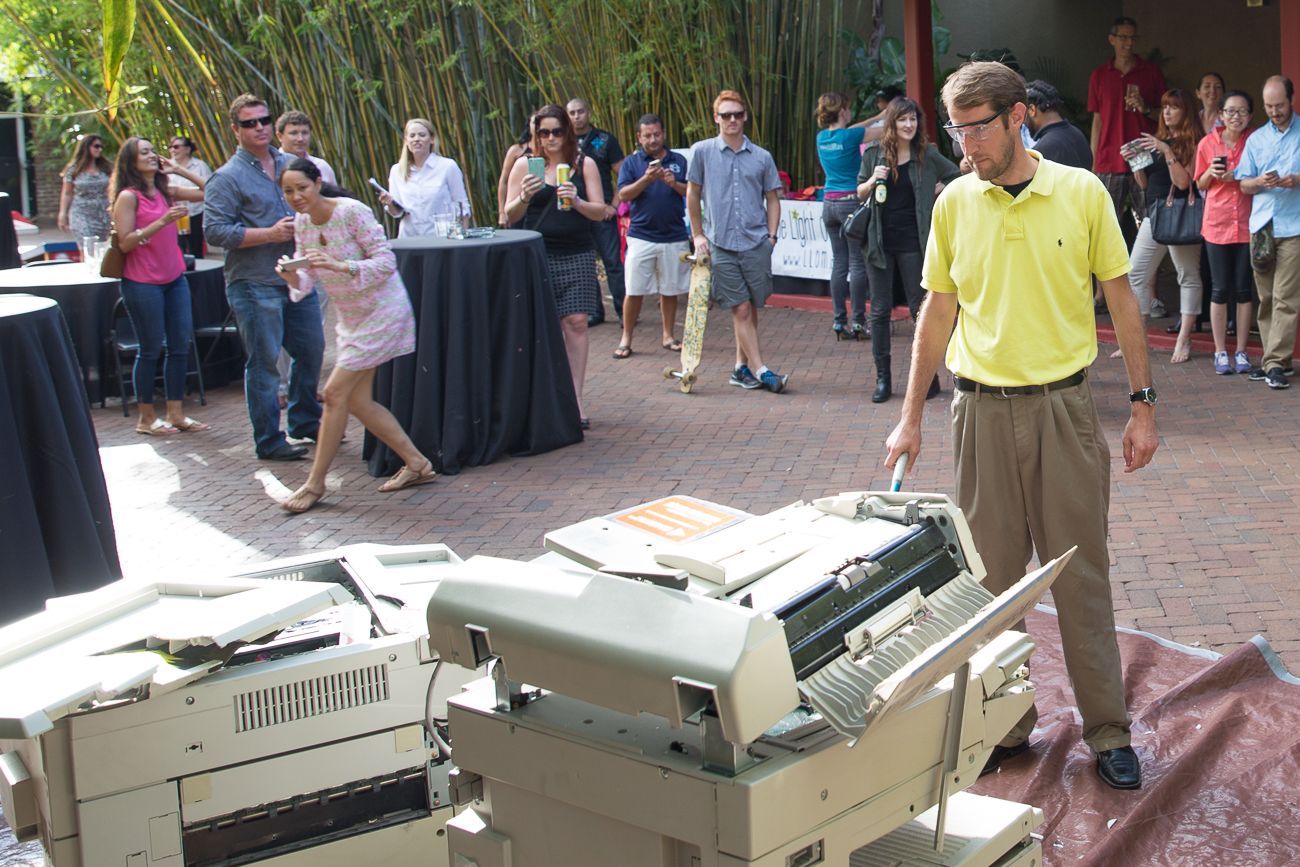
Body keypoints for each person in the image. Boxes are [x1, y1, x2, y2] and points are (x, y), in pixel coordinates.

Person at [885, 61, 1157, 791]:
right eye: (956, 131)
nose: (966, 145)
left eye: (977, 129)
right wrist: (910, 418)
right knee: (991, 584)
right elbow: (937, 312)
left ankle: (1108, 730)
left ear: (1016, 118)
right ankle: (1004, 725)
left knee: (1080, 576)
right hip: (978, 412)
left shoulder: (1081, 192)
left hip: (1064, 410)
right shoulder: (954, 203)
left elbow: (1122, 300)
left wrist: (1143, 405)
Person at [275, 160, 435, 513]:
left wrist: (340, 266)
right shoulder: (302, 222)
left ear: (318, 183)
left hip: (383, 311)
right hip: (351, 319)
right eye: (288, 191)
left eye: (302, 187)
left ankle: (315, 484)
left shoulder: (351, 212)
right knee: (358, 401)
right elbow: (306, 278)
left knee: (334, 394)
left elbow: (386, 262)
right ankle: (417, 463)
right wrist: (290, 274)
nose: (296, 196)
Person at [205, 93, 324, 461]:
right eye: (249, 123)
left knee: (311, 350)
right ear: (235, 129)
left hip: (297, 277)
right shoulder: (226, 177)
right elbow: (215, 231)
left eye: (264, 120)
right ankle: (269, 439)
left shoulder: (292, 164)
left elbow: (320, 203)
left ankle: (305, 421)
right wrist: (268, 234)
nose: (259, 127)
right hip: (254, 281)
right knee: (265, 363)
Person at [503, 105, 605, 428]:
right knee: (542, 328)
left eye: (556, 131)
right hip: (538, 253)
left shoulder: (583, 164)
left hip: (576, 251)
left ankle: (575, 400)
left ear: (567, 132)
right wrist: (523, 196)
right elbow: (509, 215)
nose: (550, 138)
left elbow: (601, 211)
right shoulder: (525, 164)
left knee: (576, 322)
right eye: (543, 132)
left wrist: (577, 201)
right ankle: (544, 399)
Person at [856, 96, 961, 403]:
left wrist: (937, 191)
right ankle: (883, 379)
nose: (908, 124)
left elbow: (955, 176)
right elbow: (859, 191)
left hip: (914, 243)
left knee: (920, 309)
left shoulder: (926, 154)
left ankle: (927, 379)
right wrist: (872, 181)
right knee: (879, 311)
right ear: (892, 122)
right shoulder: (874, 153)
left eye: (913, 119)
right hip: (879, 243)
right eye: (902, 119)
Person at [686, 89, 789, 394]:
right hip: (721, 243)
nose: (732, 120)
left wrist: (771, 236)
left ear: (745, 117)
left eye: (737, 114)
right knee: (740, 308)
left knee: (751, 306)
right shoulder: (702, 151)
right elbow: (692, 193)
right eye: (726, 115)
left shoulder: (761, 157)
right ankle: (762, 370)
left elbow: (773, 198)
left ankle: (740, 368)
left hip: (755, 242)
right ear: (716, 118)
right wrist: (697, 234)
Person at [110, 136, 211, 437]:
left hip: (174, 278)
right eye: (145, 152)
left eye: (153, 150)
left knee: (180, 346)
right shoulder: (128, 197)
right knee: (151, 348)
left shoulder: (167, 190)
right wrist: (163, 221)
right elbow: (125, 243)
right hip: (142, 282)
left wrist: (178, 170)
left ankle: (176, 413)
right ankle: (146, 418)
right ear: (131, 161)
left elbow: (210, 191)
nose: (152, 155)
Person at [1125, 89, 1204, 364]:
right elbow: (1145, 184)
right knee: (1136, 273)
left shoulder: (1196, 142)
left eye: (1174, 107)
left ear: (1186, 111)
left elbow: (1183, 182)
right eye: (1165, 107)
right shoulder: (1158, 141)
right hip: (1154, 214)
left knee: (1187, 275)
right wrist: (1136, 161)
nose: (1167, 112)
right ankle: (1138, 337)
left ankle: (1184, 338)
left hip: (1181, 215)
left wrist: (1167, 150)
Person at [1239, 75, 1300, 390]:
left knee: (1285, 297)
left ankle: (1273, 363)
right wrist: (1261, 181)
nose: (1274, 111)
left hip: (1294, 226)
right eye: (1269, 106)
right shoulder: (1256, 139)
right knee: (1266, 298)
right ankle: (1278, 362)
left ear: (1291, 100)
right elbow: (1243, 183)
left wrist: (1296, 180)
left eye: (1280, 105)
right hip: (1262, 226)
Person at [613, 113, 690, 357]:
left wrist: (673, 183)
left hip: (674, 234)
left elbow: (691, 191)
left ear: (664, 133)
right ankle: (626, 338)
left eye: (657, 134)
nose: (653, 139)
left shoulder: (678, 160)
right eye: (647, 135)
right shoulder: (632, 163)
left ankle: (668, 335)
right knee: (634, 289)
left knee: (670, 289)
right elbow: (623, 195)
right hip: (641, 235)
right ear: (639, 137)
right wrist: (646, 179)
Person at [1087, 17, 1166, 243]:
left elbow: (1166, 115)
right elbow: (1097, 121)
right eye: (1123, 37)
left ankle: (1147, 267)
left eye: (1133, 37)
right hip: (1109, 158)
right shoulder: (1100, 75)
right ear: (1112, 39)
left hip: (1143, 156)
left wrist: (1145, 108)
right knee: (1104, 223)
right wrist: (1094, 161)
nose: (1129, 43)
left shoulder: (1151, 72)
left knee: (1150, 220)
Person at [1196, 90, 1256, 374]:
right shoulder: (1207, 143)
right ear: (1221, 114)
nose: (1236, 116)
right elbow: (1200, 183)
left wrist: (1239, 176)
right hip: (1217, 224)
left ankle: (1242, 351)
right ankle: (1220, 351)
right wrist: (1212, 171)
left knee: (1244, 289)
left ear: (1250, 116)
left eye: (1242, 111)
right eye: (1230, 111)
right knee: (1219, 289)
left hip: (1247, 222)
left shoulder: (1255, 141)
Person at [815, 91, 876, 340]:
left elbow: (853, 129)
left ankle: (839, 321)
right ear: (842, 111)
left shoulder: (822, 137)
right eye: (848, 109)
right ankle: (859, 321)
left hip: (829, 204)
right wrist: (888, 116)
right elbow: (880, 132)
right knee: (857, 262)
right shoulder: (851, 136)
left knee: (839, 263)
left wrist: (878, 116)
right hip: (850, 202)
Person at [568, 98, 625, 325]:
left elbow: (623, 174)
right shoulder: (563, 142)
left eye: (580, 111)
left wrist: (614, 205)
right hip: (575, 213)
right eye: (572, 113)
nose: (576, 116)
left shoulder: (605, 139)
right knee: (585, 264)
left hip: (602, 212)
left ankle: (624, 311)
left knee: (613, 262)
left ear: (589, 112)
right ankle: (594, 312)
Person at [380, 118, 472, 236]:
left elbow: (462, 207)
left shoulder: (447, 166)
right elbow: (397, 213)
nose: (416, 139)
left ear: (432, 139)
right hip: (409, 238)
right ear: (406, 141)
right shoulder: (397, 171)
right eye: (412, 136)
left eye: (422, 135)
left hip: (442, 237)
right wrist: (389, 203)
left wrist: (462, 238)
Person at [1024, 80, 1093, 170]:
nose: (1023, 121)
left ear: (1032, 110)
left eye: (1024, 113)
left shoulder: (1043, 150)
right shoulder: (1078, 134)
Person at [58, 134, 112, 243]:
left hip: (103, 213)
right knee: (87, 243)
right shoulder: (74, 170)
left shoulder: (106, 168)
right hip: (81, 212)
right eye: (96, 146)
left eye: (101, 147)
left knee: (102, 246)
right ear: (86, 147)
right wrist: (63, 213)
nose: (99, 149)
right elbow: (67, 193)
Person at [165, 136, 212, 258]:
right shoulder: (165, 167)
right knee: (178, 249)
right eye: (170, 147)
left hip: (197, 213)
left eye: (176, 147)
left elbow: (211, 189)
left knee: (196, 249)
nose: (173, 150)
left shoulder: (200, 166)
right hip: (174, 216)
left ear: (187, 149)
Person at [276, 110, 337, 185]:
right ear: (279, 136)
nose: (300, 139)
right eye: (294, 133)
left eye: (305, 133)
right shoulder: (273, 167)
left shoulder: (322, 167)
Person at [496, 116, 534, 227]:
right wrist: (502, 212)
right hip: (518, 202)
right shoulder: (517, 150)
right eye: (534, 122)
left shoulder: (553, 151)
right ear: (529, 126)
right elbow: (504, 181)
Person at [1195, 72, 1226, 136]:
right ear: (1198, 93)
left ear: (1223, 94)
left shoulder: (1228, 120)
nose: (1212, 91)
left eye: (1218, 87)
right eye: (1207, 86)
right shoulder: (1192, 120)